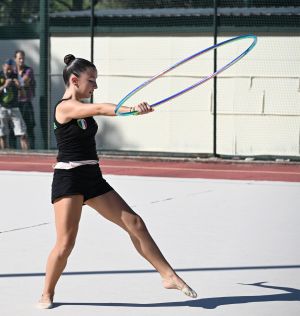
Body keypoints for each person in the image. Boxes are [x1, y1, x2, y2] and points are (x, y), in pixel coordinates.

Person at [37, 54, 197, 309]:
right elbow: (101, 108)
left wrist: (132, 110)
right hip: (69, 178)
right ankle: (47, 293)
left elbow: (97, 109)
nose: (95, 87)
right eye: (92, 81)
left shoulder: (81, 106)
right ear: (75, 80)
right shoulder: (65, 106)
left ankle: (168, 276)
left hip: (92, 177)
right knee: (65, 243)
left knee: (135, 223)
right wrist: (132, 109)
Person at [0, 59, 29, 150]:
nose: (9, 71)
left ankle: (27, 156)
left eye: (10, 69)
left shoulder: (16, 76)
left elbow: (24, 95)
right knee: (2, 134)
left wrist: (19, 86)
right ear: (3, 67)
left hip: (14, 108)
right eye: (7, 68)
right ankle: (4, 155)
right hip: (2, 108)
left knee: (23, 134)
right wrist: (4, 85)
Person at [15, 50, 36, 149]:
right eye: (19, 58)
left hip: (26, 103)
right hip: (14, 104)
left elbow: (24, 81)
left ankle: (32, 151)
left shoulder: (28, 70)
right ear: (15, 59)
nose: (21, 60)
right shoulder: (13, 71)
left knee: (29, 127)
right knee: (14, 129)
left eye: (23, 58)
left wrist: (14, 81)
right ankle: (13, 151)